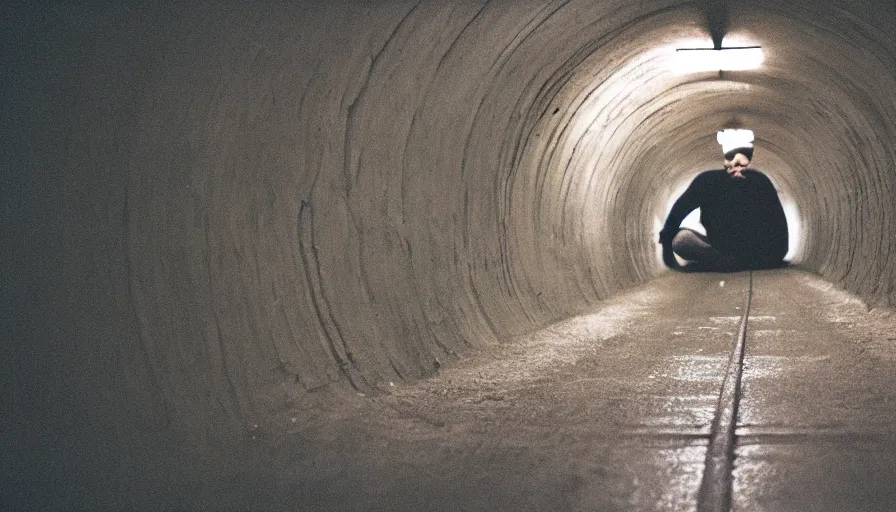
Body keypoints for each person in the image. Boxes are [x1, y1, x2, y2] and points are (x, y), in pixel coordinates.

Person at [659, 129, 788, 271]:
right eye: (734, 163)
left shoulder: (758, 182)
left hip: (750, 255)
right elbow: (679, 211)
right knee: (681, 238)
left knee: (682, 240)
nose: (736, 169)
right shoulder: (710, 181)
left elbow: (778, 229)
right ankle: (725, 262)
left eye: (740, 165)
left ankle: (722, 263)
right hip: (741, 255)